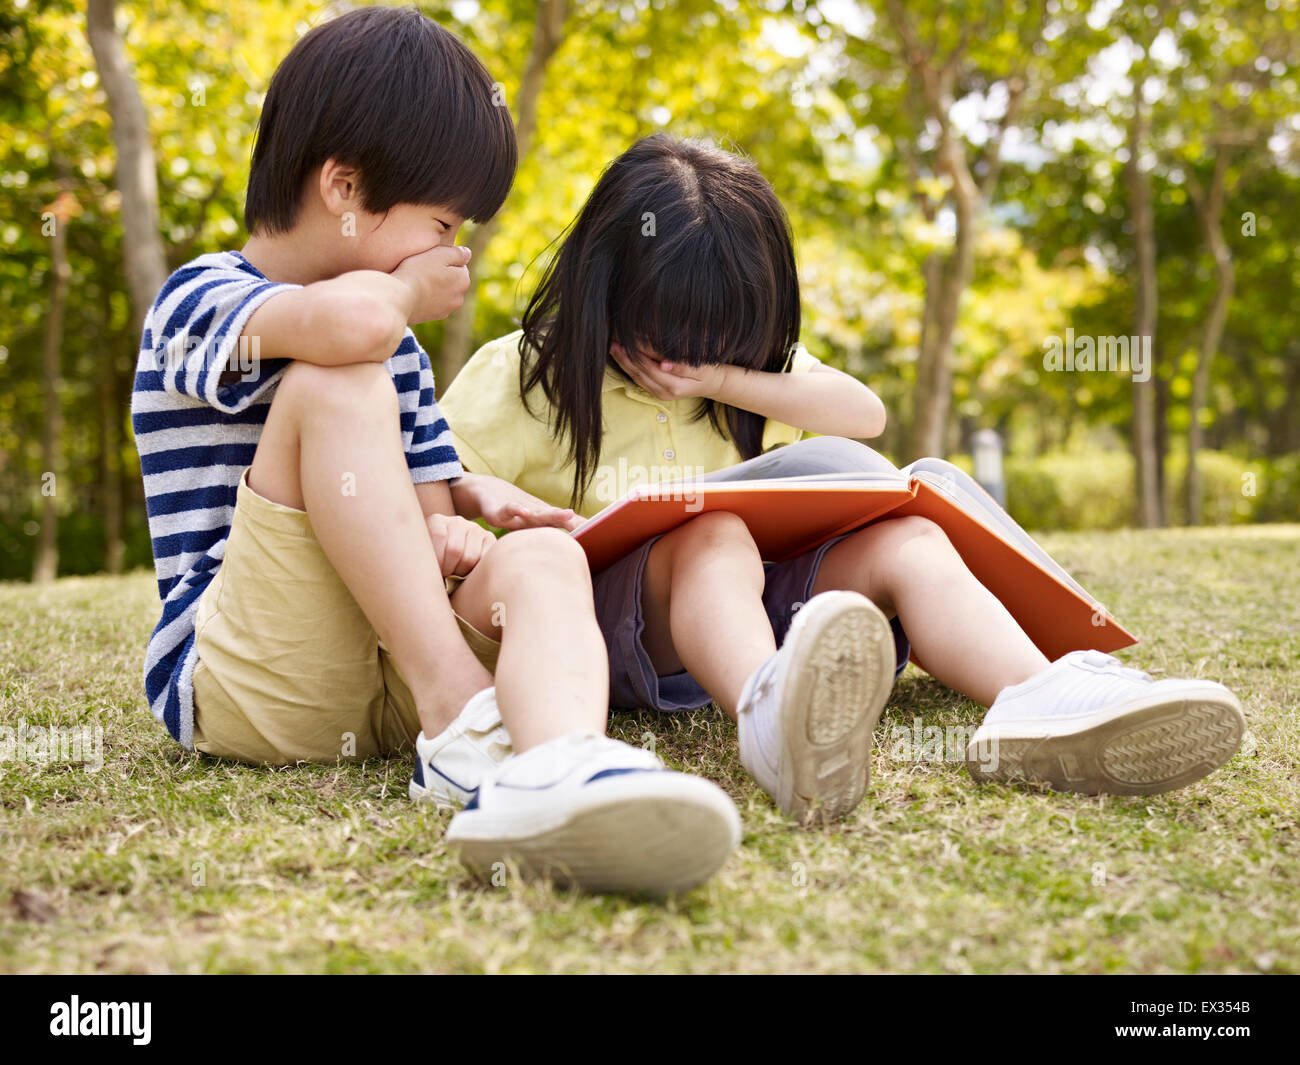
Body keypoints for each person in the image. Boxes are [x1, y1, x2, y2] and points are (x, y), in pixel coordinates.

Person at [439, 133, 1247, 817]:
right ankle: (768, 717)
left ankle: (1037, 699)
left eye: (716, 339)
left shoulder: (745, 377)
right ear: (603, 286)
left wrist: (716, 380)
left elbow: (862, 414)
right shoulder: (525, 373)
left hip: (762, 606)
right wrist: (490, 522)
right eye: (665, 333)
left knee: (911, 534)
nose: (686, 355)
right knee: (712, 530)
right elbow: (435, 493)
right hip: (616, 635)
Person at [130, 13, 738, 895]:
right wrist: (403, 293)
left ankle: (564, 766)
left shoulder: (394, 345)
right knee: (340, 380)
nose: (454, 255)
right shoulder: (200, 300)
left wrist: (458, 520)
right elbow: (349, 330)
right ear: (344, 186)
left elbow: (424, 516)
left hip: (386, 681)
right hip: (251, 677)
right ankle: (461, 709)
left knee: (541, 556)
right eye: (444, 223)